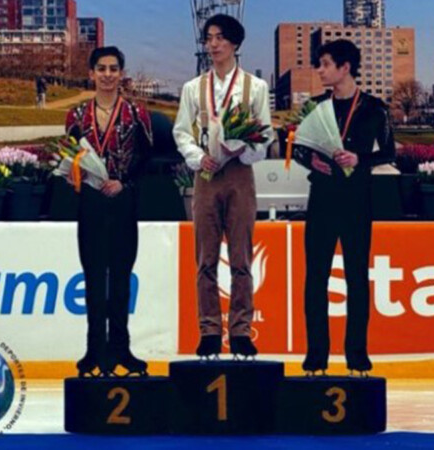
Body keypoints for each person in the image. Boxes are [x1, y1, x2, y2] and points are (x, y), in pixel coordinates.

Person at [173, 14, 274, 359]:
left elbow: (265, 135)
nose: (213, 44)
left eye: (220, 38)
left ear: (235, 43)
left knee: (241, 257)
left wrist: (242, 150)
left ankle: (241, 331)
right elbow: (181, 132)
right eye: (209, 38)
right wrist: (198, 156)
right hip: (205, 177)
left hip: (240, 175)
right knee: (205, 257)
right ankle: (210, 331)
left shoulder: (255, 87)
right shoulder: (192, 88)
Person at [292, 39, 395, 376]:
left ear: (345, 67)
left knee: (356, 278)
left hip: (356, 199)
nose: (319, 71)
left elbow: (389, 153)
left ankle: (357, 356)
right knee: (315, 279)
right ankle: (315, 357)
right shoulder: (316, 106)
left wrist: (359, 159)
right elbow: (298, 147)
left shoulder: (375, 108)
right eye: (318, 64)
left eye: (325, 64)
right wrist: (311, 161)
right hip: (322, 198)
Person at [65, 46, 153, 377]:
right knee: (92, 277)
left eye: (113, 68)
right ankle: (94, 350)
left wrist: (124, 182)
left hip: (123, 201)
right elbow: (70, 156)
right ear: (91, 73)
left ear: (121, 74)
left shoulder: (137, 114)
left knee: (119, 278)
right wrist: (76, 176)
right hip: (90, 202)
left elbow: (147, 158)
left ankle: (121, 349)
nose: (107, 74)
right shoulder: (76, 116)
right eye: (101, 68)